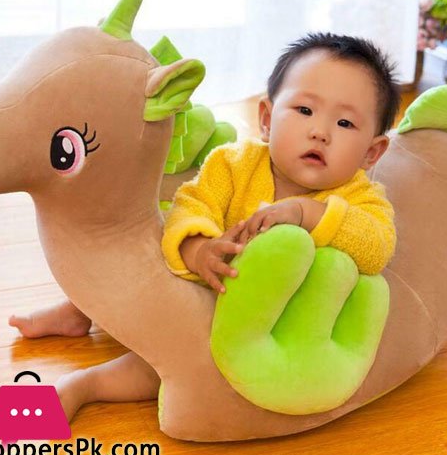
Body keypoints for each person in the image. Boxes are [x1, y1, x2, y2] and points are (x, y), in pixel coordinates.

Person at [161, 32, 400, 294]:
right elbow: (189, 208)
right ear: (267, 120)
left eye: (344, 123)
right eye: (305, 110)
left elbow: (377, 249)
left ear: (371, 152)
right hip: (221, 299)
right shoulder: (232, 164)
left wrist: (306, 213)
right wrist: (199, 250)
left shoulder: (361, 197)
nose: (320, 132)